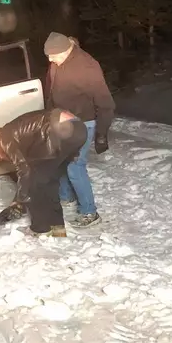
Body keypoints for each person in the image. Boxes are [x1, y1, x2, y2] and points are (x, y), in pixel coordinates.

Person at [43, 32, 115, 228]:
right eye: (48, 55)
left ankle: (90, 212)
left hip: (83, 123)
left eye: (53, 55)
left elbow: (106, 102)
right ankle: (66, 197)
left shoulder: (87, 66)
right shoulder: (57, 62)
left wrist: (102, 133)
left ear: (66, 50)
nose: (50, 59)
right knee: (62, 160)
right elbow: (51, 93)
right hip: (63, 122)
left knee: (75, 167)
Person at [0, 108, 87, 237]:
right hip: (79, 128)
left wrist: (21, 199)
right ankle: (58, 230)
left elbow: (23, 168)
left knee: (34, 186)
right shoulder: (18, 133)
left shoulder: (3, 137)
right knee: (50, 185)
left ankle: (39, 229)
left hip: (61, 130)